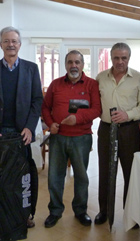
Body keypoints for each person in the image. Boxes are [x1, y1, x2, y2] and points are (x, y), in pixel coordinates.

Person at [0, 26, 43, 229]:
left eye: (14, 41)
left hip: (21, 134)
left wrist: (30, 127)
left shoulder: (31, 69)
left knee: (22, 179)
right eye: (6, 41)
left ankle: (24, 215)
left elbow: (36, 100)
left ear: (20, 44)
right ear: (1, 45)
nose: (10, 44)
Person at [42, 50, 101, 228]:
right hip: (58, 138)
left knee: (81, 177)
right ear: (65, 65)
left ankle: (80, 211)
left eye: (77, 62)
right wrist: (50, 123)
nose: (73, 65)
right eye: (70, 62)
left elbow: (97, 109)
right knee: (54, 176)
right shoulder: (55, 85)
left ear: (83, 65)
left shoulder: (92, 85)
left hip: (81, 138)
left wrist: (78, 118)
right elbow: (45, 107)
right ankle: (55, 211)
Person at [95, 42, 140, 225]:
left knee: (130, 172)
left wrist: (128, 115)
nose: (120, 61)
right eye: (116, 57)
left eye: (123, 58)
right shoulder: (100, 77)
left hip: (129, 131)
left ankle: (131, 214)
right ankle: (104, 211)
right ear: (111, 58)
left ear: (129, 58)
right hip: (105, 130)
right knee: (105, 172)